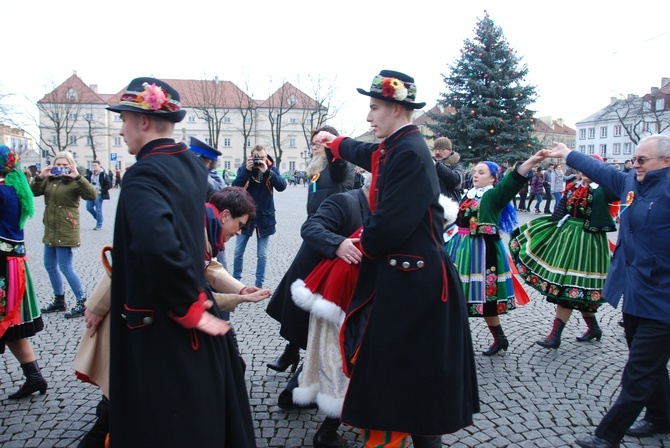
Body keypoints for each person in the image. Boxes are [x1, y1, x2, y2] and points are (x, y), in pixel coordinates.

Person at [314, 69, 479, 448]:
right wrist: (336, 142)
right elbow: (368, 152)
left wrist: (357, 246)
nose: (369, 117)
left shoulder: (408, 150)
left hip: (416, 284)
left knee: (415, 380)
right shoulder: (397, 145)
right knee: (411, 380)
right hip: (407, 279)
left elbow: (390, 224)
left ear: (396, 109)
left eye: (374, 109)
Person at [106, 77, 255, 447]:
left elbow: (158, 246)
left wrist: (186, 307)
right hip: (191, 304)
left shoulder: (144, 173)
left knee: (164, 422)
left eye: (124, 119)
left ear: (143, 121)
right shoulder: (190, 163)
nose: (122, 129)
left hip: (157, 321)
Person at [545, 136, 670, 448]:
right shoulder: (632, 182)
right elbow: (602, 173)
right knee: (650, 364)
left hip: (665, 298)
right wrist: (569, 153)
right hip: (637, 292)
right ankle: (662, 416)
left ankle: (606, 435)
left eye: (642, 160)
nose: (634, 164)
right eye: (635, 158)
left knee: (639, 370)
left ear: (666, 161)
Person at [283, 174, 372, 447]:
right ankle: (327, 428)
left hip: (351, 295)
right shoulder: (345, 201)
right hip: (327, 290)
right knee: (337, 352)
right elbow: (311, 228)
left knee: (327, 350)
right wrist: (339, 243)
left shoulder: (386, 211)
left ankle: (291, 395)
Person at [509, 154, 618, 350]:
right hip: (568, 238)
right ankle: (593, 328)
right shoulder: (575, 186)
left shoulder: (605, 189)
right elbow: (561, 211)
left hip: (589, 242)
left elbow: (621, 191)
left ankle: (555, 335)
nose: (585, 173)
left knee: (571, 287)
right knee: (574, 288)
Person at [444, 154, 547, 356]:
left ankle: (498, 338)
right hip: (460, 247)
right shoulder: (469, 194)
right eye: (474, 172)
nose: (475, 175)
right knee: (455, 294)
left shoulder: (493, 195)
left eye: (481, 172)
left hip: (481, 250)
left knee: (484, 296)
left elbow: (512, 182)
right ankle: (461, 341)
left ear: (493, 178)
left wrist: (531, 162)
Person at [0, 145, 48, 400]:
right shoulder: (16, 190)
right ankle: (34, 376)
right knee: (10, 327)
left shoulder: (2, 191)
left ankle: (34, 377)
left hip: (2, 266)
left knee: (6, 324)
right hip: (14, 264)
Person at [32, 151, 97, 318]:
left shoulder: (74, 182)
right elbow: (33, 192)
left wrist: (78, 177)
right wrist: (40, 176)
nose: (60, 168)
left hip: (67, 228)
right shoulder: (49, 180)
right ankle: (59, 300)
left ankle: (82, 302)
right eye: (57, 165)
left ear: (70, 165)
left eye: (64, 165)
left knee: (65, 267)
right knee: (49, 265)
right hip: (51, 228)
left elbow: (92, 195)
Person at [231, 144, 287, 288]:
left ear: (266, 156)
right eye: (256, 157)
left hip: (265, 217)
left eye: (262, 157)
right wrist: (246, 171)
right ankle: (235, 281)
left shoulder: (271, 169)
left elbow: (282, 186)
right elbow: (235, 187)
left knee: (262, 255)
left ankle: (259, 284)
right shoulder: (245, 168)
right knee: (238, 251)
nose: (259, 160)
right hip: (246, 217)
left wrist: (267, 172)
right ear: (250, 157)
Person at [306, 126, 354, 218]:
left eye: (318, 144)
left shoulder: (339, 163)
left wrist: (333, 148)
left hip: (332, 219)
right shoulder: (318, 166)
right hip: (317, 218)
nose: (314, 148)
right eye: (313, 144)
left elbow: (338, 168)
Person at [432, 136, 465, 203]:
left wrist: (437, 166)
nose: (437, 152)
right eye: (436, 149)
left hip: (449, 208)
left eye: (442, 149)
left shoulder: (456, 167)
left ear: (450, 151)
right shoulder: (430, 165)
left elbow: (455, 181)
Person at [85, 161, 112, 231]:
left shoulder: (103, 174)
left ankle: (99, 225)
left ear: (99, 166)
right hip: (91, 193)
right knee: (88, 208)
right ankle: (99, 218)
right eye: (93, 165)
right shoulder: (90, 173)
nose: (94, 167)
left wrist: (101, 191)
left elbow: (109, 185)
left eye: (95, 165)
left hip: (98, 193)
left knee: (98, 209)